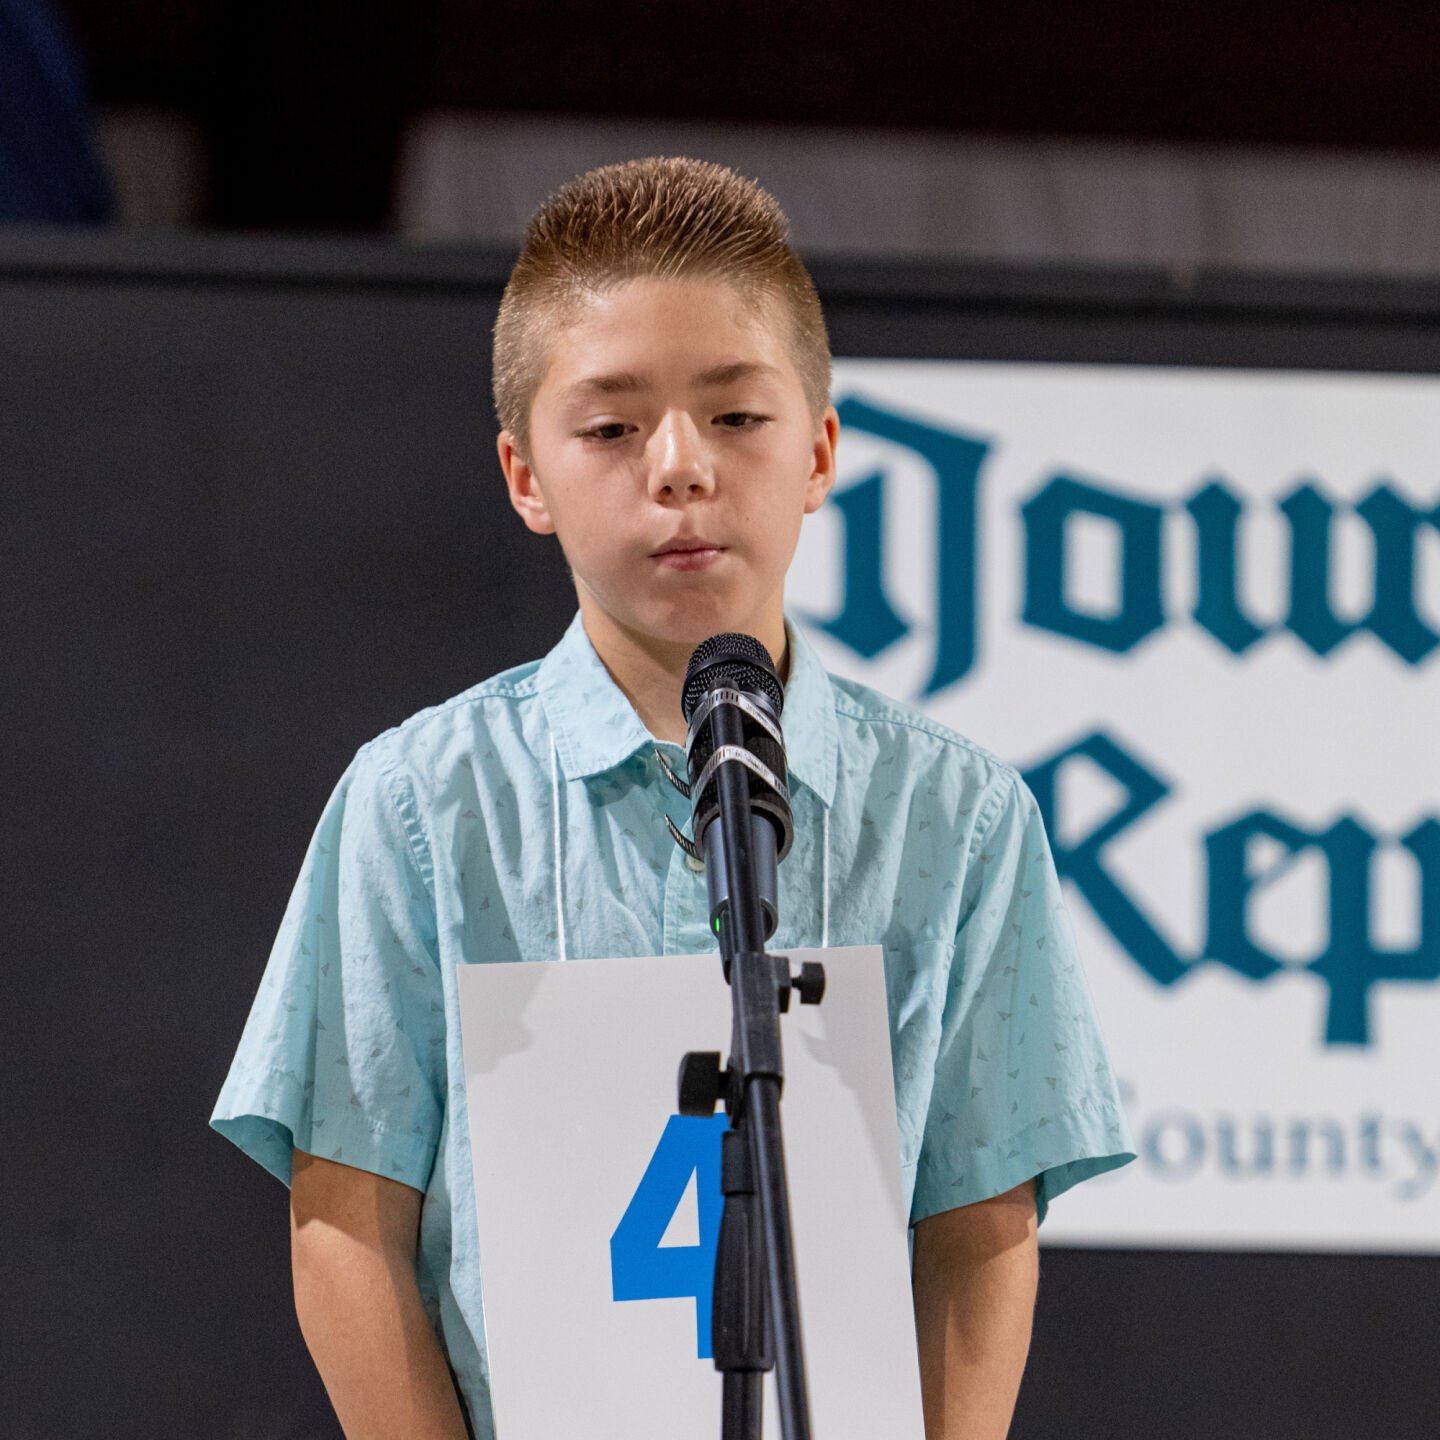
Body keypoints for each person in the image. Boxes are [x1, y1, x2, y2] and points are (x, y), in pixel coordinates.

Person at [212, 156, 1133, 1440]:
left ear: (818, 451)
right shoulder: (421, 802)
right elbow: (346, 1218)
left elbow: (979, 1227)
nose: (680, 467)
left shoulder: (957, 816)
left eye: (737, 417)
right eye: (610, 426)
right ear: (526, 476)